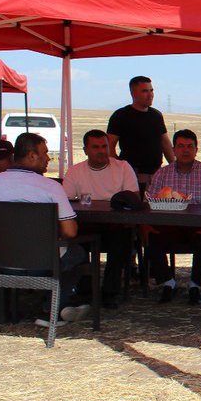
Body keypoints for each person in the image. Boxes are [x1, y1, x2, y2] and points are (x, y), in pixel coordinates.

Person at [0, 132, 90, 324]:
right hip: (42, 264)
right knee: (78, 253)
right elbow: (70, 232)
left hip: (1, 263)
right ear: (31, 156)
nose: (49, 158)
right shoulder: (50, 187)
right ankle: (53, 308)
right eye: (45, 153)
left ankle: (6, 313)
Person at [62, 129, 138, 307]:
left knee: (122, 238)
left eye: (104, 146)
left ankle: (110, 293)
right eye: (95, 147)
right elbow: (65, 201)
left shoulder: (123, 167)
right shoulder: (75, 171)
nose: (101, 151)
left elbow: (133, 197)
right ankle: (86, 292)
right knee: (72, 237)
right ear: (85, 150)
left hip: (116, 226)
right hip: (86, 226)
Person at [146, 129, 201, 304]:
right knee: (150, 236)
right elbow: (149, 200)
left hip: (197, 227)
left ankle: (195, 286)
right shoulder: (162, 173)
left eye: (190, 146)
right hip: (169, 225)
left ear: (196, 149)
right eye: (181, 146)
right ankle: (168, 283)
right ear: (173, 149)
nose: (185, 150)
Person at [107, 75, 175, 189]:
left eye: (151, 90)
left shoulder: (156, 115)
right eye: (145, 91)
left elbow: (166, 144)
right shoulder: (120, 115)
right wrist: (118, 168)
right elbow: (109, 145)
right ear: (133, 93)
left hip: (156, 174)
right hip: (132, 174)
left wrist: (175, 168)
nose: (150, 95)